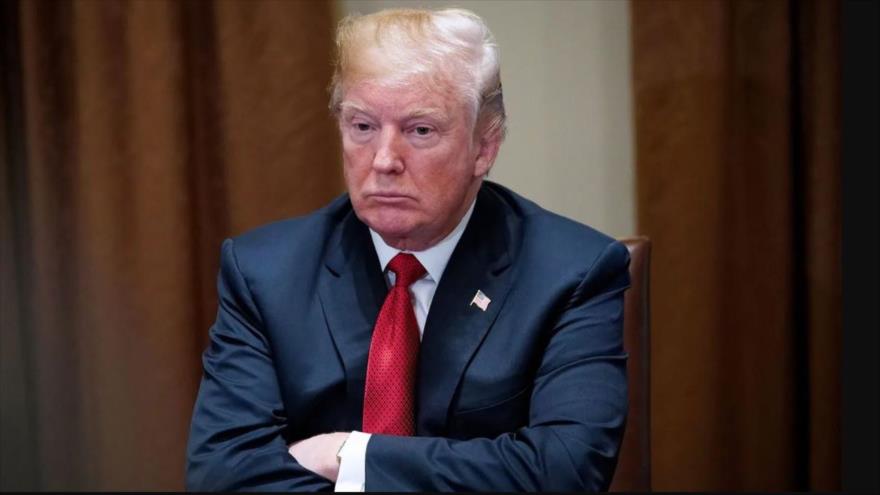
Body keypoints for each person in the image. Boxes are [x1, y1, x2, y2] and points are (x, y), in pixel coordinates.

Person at [186, 7, 630, 492]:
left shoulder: (572, 273)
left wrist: (349, 456)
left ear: (485, 146)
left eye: (420, 130)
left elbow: (565, 472)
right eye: (362, 127)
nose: (383, 160)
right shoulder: (264, 273)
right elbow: (221, 473)